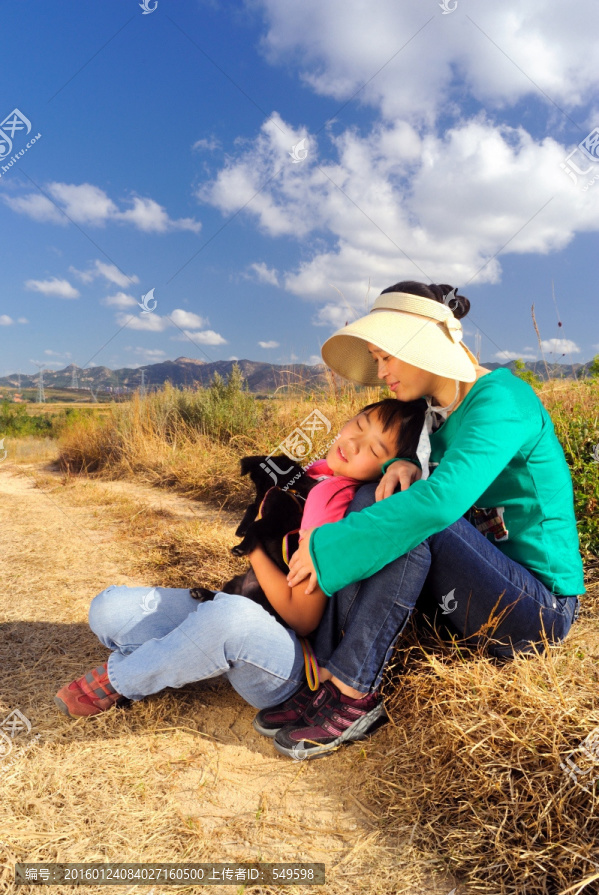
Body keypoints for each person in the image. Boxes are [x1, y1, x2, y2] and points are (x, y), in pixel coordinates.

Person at [266, 280, 584, 760]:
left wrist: (326, 544)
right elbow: (419, 489)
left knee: (416, 517)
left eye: (386, 356)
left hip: (538, 611)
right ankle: (330, 673)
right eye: (375, 359)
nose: (381, 372)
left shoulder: (503, 399)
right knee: (381, 493)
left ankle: (356, 692)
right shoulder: (433, 418)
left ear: (423, 340)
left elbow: (439, 505)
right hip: (475, 587)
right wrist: (404, 464)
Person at [54, 398, 425, 721]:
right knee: (107, 608)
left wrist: (255, 547)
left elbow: (303, 617)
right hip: (248, 619)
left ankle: (125, 679)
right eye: (358, 425)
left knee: (226, 617)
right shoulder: (316, 474)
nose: (354, 443)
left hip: (288, 665)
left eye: (375, 451)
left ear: (385, 470)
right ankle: (193, 653)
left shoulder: (334, 505)